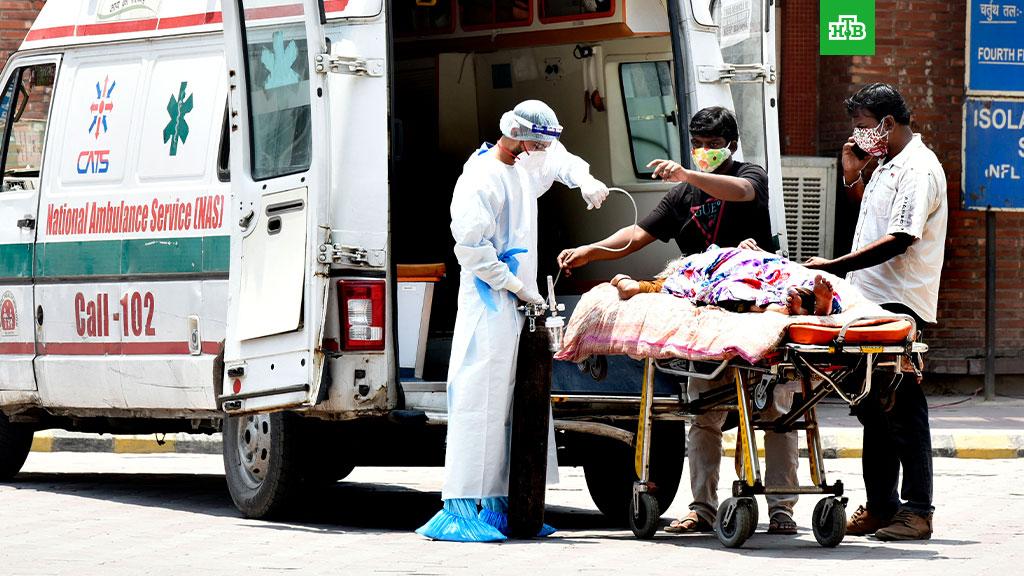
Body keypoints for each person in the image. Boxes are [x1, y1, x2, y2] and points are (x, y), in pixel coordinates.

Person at [556, 106, 801, 536]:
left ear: (731, 145)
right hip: (702, 321)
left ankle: (782, 510)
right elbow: (637, 235)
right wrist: (591, 251)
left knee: (775, 413)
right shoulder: (681, 198)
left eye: (713, 144)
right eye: (698, 144)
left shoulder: (750, 175)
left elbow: (742, 192)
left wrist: (689, 174)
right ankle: (702, 508)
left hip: (755, 313)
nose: (705, 151)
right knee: (703, 414)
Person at [417, 100, 609, 542]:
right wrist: (516, 286)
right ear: (517, 136)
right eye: (537, 142)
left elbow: (560, 161)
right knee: (479, 402)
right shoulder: (481, 177)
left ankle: (508, 506)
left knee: (516, 404)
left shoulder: (523, 168)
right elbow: (472, 249)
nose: (542, 150)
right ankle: (459, 508)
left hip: (516, 308)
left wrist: (585, 180)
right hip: (488, 306)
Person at [804, 83, 947, 541]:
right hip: (868, 300)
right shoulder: (885, 165)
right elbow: (872, 223)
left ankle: (918, 511)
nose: (857, 134)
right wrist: (853, 176)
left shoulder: (918, 169)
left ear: (887, 122)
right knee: (872, 406)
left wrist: (833, 266)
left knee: (902, 406)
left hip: (899, 302)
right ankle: (883, 505)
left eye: (863, 125)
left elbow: (900, 239)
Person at [609, 245, 842, 317]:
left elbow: (659, 286)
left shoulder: (683, 273)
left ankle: (775, 307)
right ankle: (817, 304)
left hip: (730, 265)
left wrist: (621, 279)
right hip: (756, 262)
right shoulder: (711, 255)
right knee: (783, 275)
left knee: (736, 291)